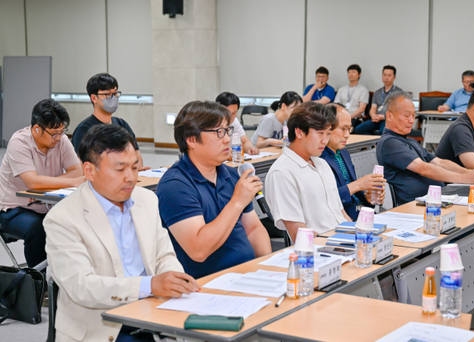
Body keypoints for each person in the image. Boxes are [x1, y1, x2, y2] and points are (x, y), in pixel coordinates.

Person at [44, 125, 199, 342]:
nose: (131, 178)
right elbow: (82, 286)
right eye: (119, 169)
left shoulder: (147, 200)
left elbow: (164, 256)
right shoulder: (63, 217)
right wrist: (149, 285)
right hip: (101, 328)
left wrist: (174, 280)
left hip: (152, 315)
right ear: (89, 170)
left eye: (135, 168)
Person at [156, 101, 271, 279]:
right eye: (218, 132)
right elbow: (199, 250)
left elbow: (254, 229)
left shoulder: (231, 175)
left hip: (248, 275)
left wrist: (266, 268)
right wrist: (237, 202)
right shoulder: (175, 185)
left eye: (227, 130)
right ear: (191, 140)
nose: (227, 139)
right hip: (208, 285)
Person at [0, 99, 85, 267]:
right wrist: (71, 182)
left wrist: (42, 187)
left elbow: (77, 171)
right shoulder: (19, 143)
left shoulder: (61, 140)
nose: (59, 137)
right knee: (37, 228)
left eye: (62, 131)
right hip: (13, 209)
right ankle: (39, 284)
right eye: (54, 133)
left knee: (78, 223)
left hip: (45, 205)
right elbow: (32, 182)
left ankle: (67, 278)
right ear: (37, 129)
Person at [376, 91, 474, 206]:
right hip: (415, 205)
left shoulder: (410, 141)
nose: (411, 120)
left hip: (436, 199)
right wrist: (464, 178)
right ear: (389, 116)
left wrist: (469, 172)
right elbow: (423, 169)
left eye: (413, 115)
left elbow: (439, 162)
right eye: (407, 115)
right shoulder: (389, 142)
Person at [265, 102, 351, 242]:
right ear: (299, 132)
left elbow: (341, 214)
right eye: (320, 133)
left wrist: (358, 236)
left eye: (328, 133)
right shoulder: (282, 173)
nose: (325, 140)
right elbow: (299, 233)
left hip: (345, 242)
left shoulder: (322, 164)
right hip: (322, 250)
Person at [320, 103, 386, 220]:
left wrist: (366, 197)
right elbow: (324, 199)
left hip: (360, 214)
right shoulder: (318, 157)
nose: (347, 135)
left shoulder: (344, 152)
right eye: (343, 129)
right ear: (327, 128)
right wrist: (358, 185)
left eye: (349, 129)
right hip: (341, 218)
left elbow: (353, 191)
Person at [72, 73, 150, 170]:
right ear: (94, 98)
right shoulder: (84, 129)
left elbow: (137, 157)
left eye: (115, 93)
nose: (113, 98)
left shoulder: (122, 125)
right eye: (107, 94)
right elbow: (86, 165)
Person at [354, 65, 402, 135]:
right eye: (384, 75)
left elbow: (398, 111)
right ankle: (372, 144)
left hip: (388, 120)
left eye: (389, 75)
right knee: (358, 129)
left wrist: (383, 117)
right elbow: (373, 108)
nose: (386, 77)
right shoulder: (377, 92)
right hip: (376, 119)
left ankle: (378, 145)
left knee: (382, 132)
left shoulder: (398, 92)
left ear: (394, 77)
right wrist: (373, 115)